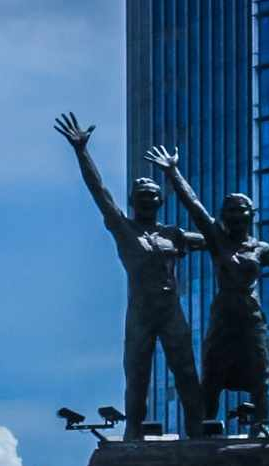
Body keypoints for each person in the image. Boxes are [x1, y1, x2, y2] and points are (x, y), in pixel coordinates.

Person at [54, 113, 206, 440]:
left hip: (170, 310)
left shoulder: (173, 234)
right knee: (137, 375)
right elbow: (99, 192)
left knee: (186, 372)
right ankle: (133, 434)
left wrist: (174, 173)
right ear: (133, 202)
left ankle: (199, 431)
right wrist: (82, 151)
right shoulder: (124, 229)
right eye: (141, 196)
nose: (147, 200)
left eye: (152, 195)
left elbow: (218, 240)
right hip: (141, 311)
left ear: (160, 201)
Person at [146, 144, 269, 430]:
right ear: (224, 216)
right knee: (212, 375)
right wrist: (172, 171)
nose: (236, 216)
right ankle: (205, 430)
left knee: (260, 374)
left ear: (251, 215)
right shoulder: (217, 240)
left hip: (251, 317)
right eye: (231, 212)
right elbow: (194, 206)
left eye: (242, 211)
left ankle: (260, 426)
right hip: (223, 315)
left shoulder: (261, 249)